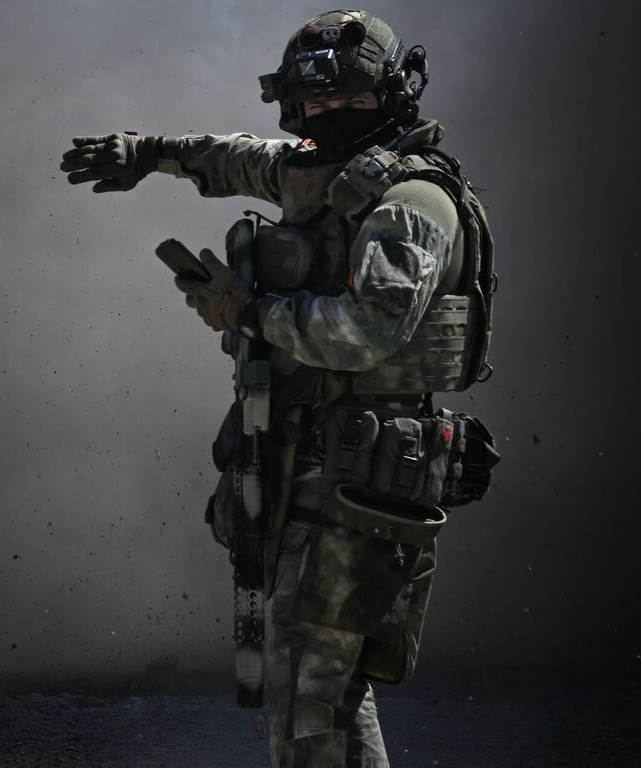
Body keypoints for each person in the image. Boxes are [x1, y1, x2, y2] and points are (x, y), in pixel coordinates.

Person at [59, 10, 500, 767]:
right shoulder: (322, 173)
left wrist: (249, 311)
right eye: (315, 106)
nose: (330, 118)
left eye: (350, 103)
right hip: (310, 463)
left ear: (393, 97)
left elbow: (370, 331)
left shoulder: (412, 201)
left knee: (308, 690)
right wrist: (148, 154)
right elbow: (237, 158)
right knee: (316, 687)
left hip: (358, 479)